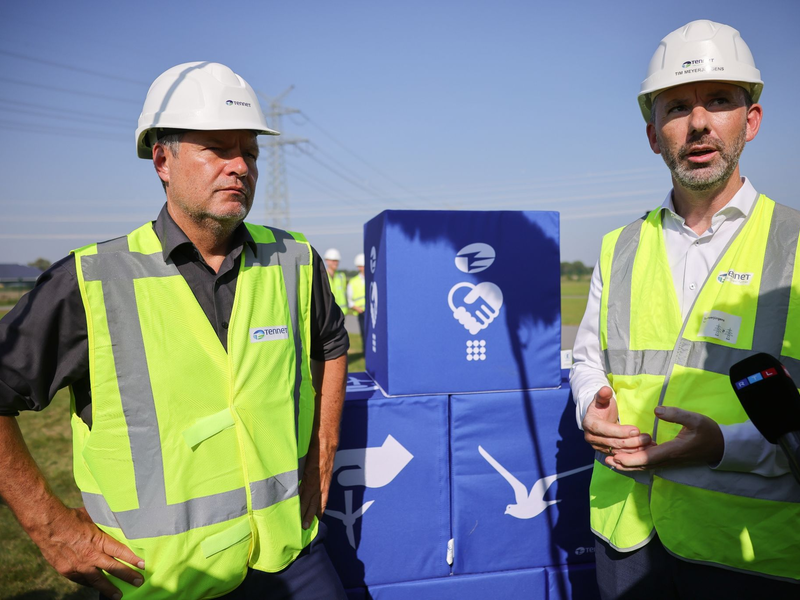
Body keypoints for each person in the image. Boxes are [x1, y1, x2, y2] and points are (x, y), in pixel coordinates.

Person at [0, 62, 349, 600]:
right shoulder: (92, 281)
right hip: (161, 579)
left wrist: (322, 447)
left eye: (250, 153)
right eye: (218, 148)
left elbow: (331, 343)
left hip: (289, 556)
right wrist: (51, 527)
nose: (241, 167)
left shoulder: (295, 260)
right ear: (163, 159)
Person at [570, 21, 800, 598]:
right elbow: (587, 360)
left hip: (745, 551)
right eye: (677, 107)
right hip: (627, 539)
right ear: (653, 134)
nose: (698, 123)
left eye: (719, 100)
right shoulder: (618, 246)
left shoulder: (795, 245)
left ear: (751, 121)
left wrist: (723, 445)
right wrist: (587, 410)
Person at [347, 253, 366, 340]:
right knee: (364, 334)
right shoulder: (353, 281)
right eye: (362, 266)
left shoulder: (372, 279)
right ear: (359, 267)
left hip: (372, 312)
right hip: (361, 312)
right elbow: (349, 300)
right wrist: (357, 308)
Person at [323, 248, 348, 313]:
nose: (336, 263)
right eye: (333, 260)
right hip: (327, 312)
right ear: (327, 260)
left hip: (341, 312)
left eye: (337, 261)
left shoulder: (342, 276)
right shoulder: (322, 276)